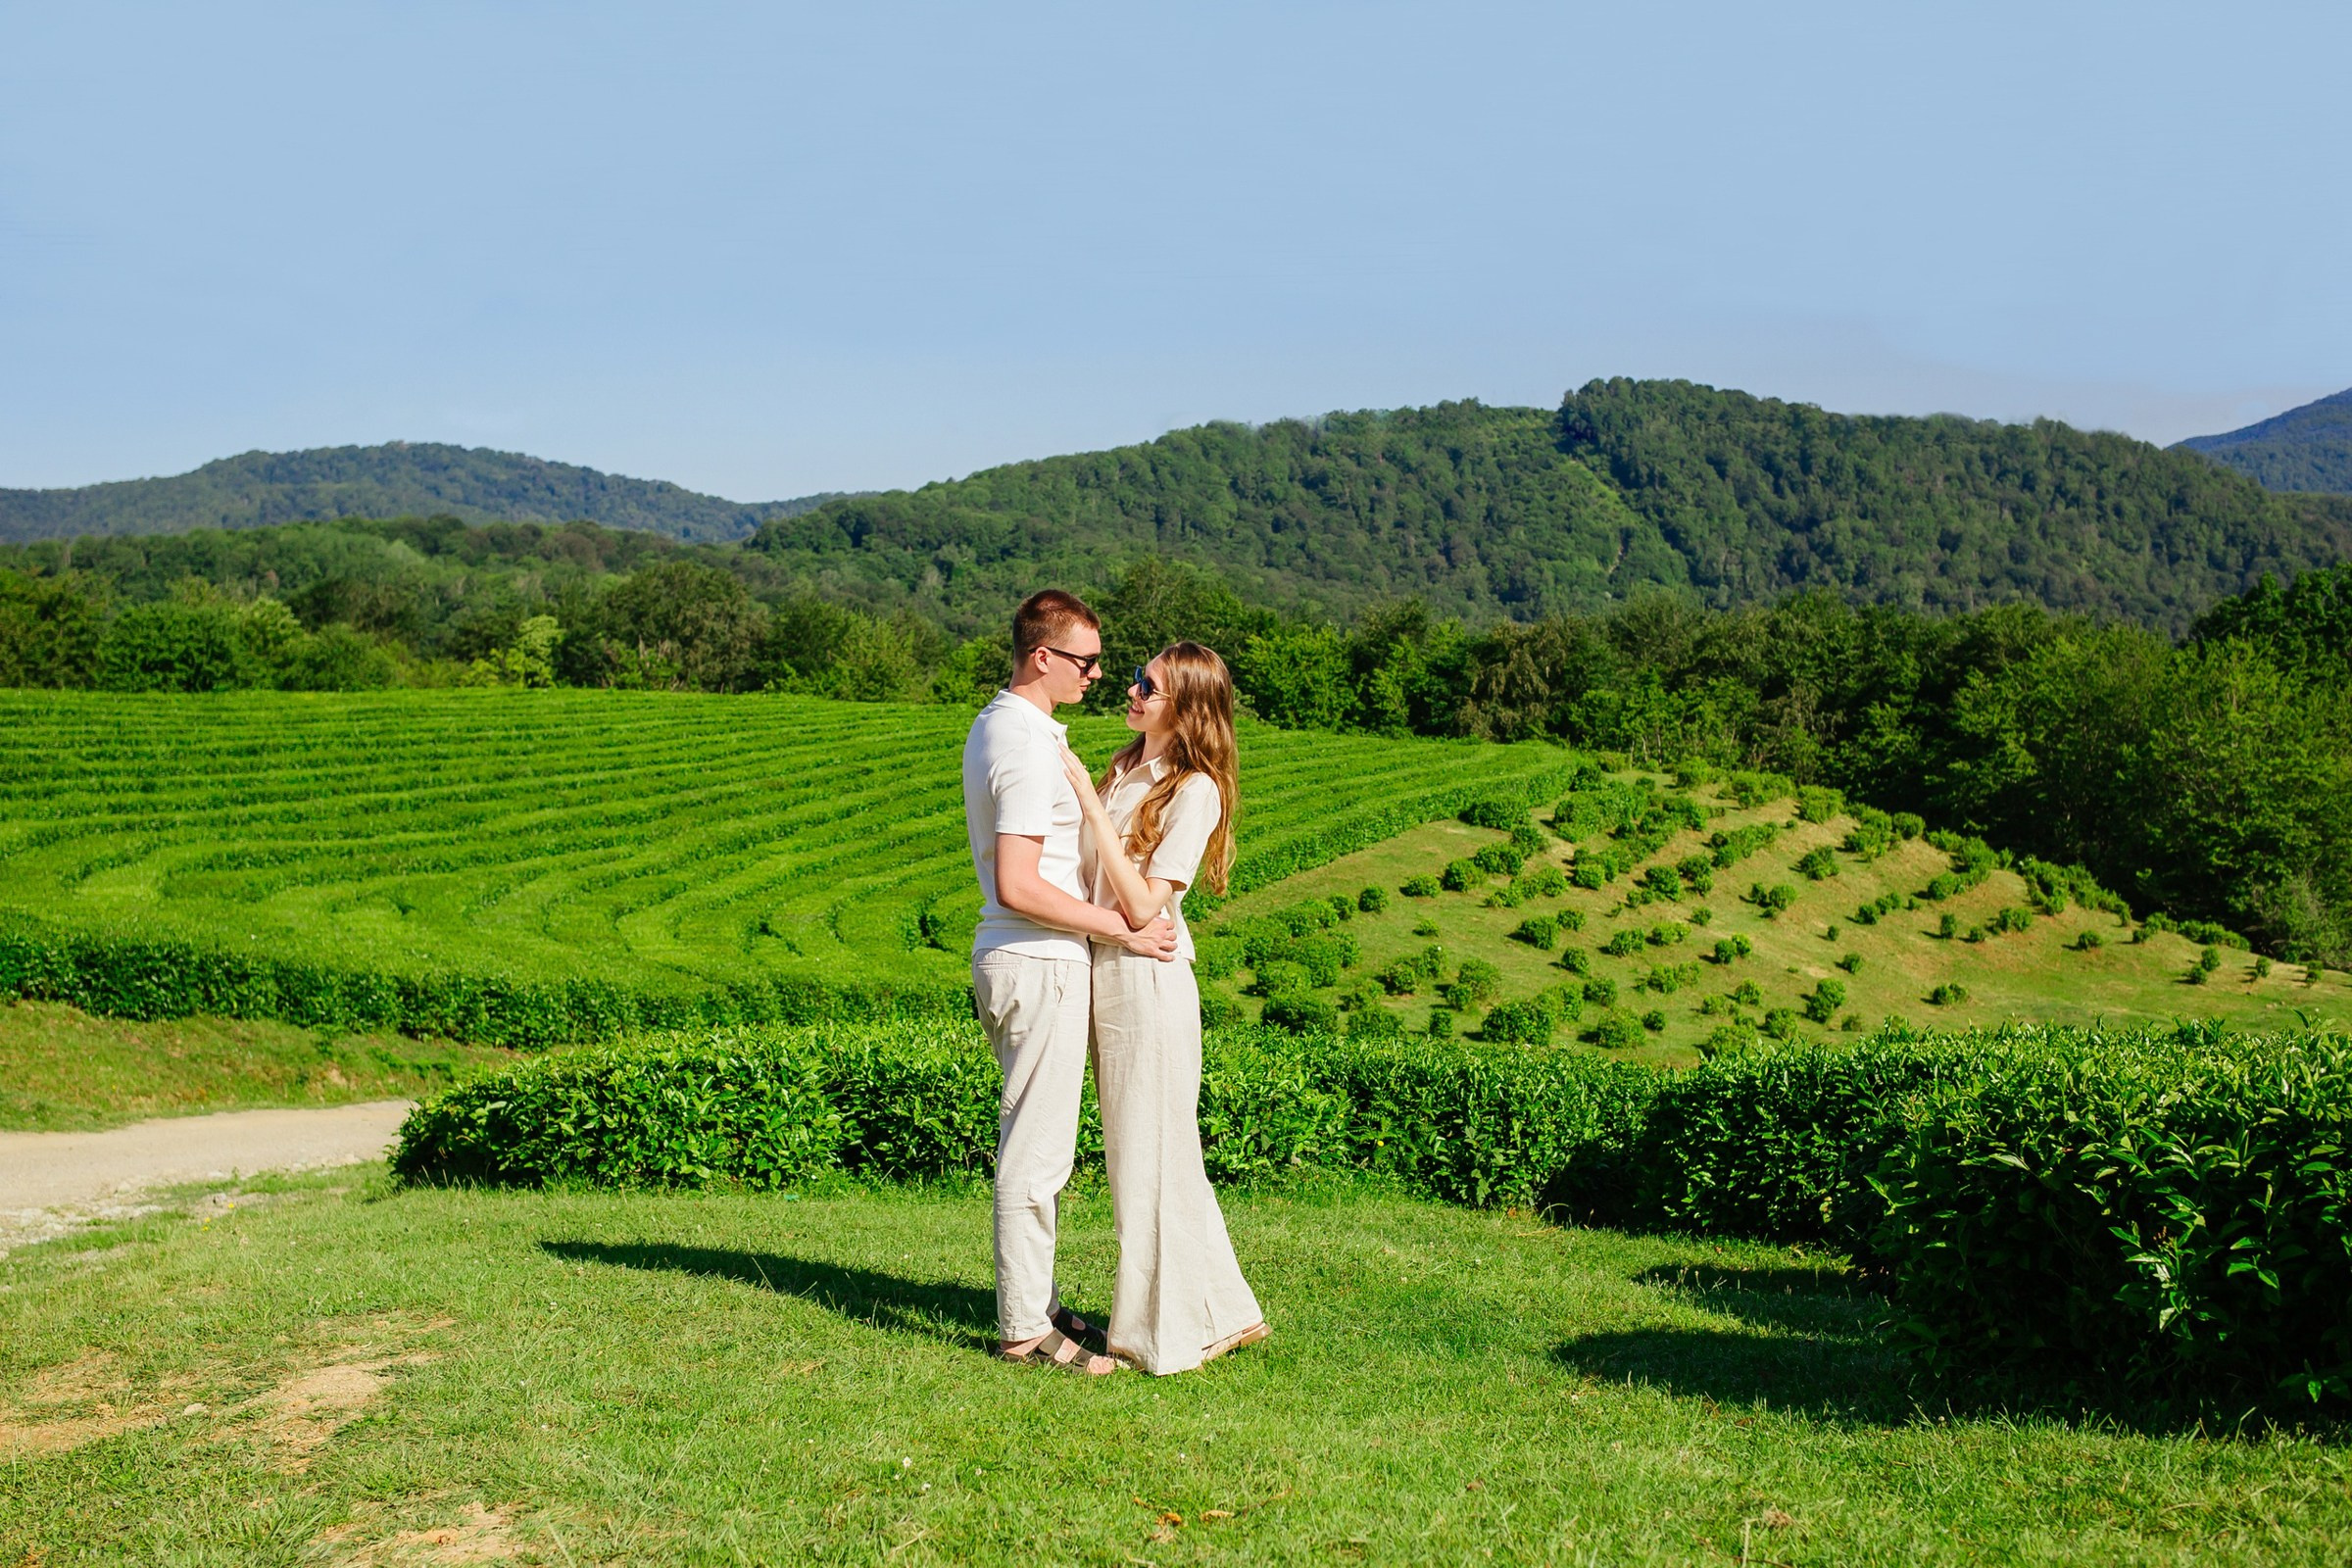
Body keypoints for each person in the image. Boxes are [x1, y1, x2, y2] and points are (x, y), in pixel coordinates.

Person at [961, 589, 1177, 1377]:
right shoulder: (1022, 742)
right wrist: (1123, 928)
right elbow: (1019, 883)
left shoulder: (1001, 724)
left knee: (1039, 1136)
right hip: (1036, 957)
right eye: (1086, 661)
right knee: (1038, 1148)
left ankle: (1040, 1300)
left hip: (1019, 956)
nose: (1097, 676)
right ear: (1042, 657)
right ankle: (1024, 1329)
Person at [1058, 642, 1269, 1375]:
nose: (1132, 689)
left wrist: (1089, 802)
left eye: (1149, 685)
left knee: (1150, 1156)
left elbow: (1148, 901)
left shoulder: (1195, 790)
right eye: (1137, 679)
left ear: (1186, 706)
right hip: (1106, 968)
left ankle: (1162, 1332)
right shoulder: (1123, 768)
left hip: (1148, 983)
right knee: (1149, 1155)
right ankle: (1226, 1313)